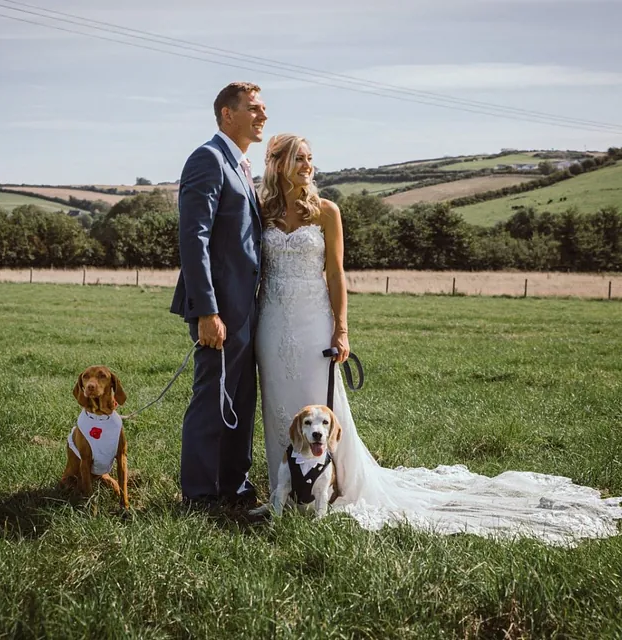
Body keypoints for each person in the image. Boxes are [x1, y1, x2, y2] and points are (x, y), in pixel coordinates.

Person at [254, 133, 622, 545]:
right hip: (271, 321)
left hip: (312, 322)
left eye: (310, 158)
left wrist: (342, 327)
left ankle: (334, 489)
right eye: (299, 159)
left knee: (320, 404)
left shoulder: (326, 211)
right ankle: (281, 493)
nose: (308, 165)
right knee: (278, 407)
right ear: (277, 163)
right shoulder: (262, 211)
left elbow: (336, 274)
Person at [170, 82, 267, 511]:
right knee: (212, 397)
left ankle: (235, 484)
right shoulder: (207, 159)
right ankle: (199, 494)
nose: (262, 115)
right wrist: (207, 309)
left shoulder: (242, 165)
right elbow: (194, 238)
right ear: (228, 114)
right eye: (254, 108)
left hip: (247, 309)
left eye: (263, 108)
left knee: (242, 398)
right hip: (219, 308)